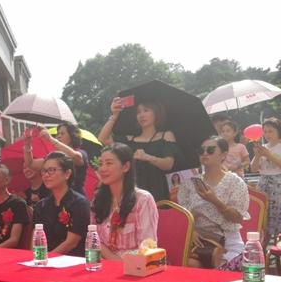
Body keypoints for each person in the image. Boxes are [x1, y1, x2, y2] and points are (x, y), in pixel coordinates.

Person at [178, 136, 249, 269]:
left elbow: (237, 218)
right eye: (201, 151)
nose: (205, 153)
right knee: (186, 265)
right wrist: (191, 231)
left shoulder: (235, 183)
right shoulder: (189, 184)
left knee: (222, 269)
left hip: (226, 242)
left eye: (210, 150)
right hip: (198, 242)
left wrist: (214, 200)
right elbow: (182, 216)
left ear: (223, 155)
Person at [98, 98, 179, 202]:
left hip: (157, 190)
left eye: (146, 110)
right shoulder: (129, 139)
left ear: (156, 113)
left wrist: (148, 157)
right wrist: (114, 115)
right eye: (138, 112)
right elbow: (103, 138)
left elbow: (168, 164)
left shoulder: (166, 135)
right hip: (132, 191)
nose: (141, 115)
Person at [91, 143, 158, 259]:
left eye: (109, 163)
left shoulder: (143, 200)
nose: (102, 169)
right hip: (103, 264)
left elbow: (147, 248)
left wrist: (116, 262)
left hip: (134, 266)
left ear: (126, 167)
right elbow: (93, 238)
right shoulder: (98, 199)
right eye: (100, 164)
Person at [33, 152, 90, 255]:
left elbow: (71, 243)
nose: (46, 175)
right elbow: (35, 239)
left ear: (67, 174)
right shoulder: (41, 205)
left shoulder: (79, 203)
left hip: (71, 259)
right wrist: (35, 258)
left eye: (51, 170)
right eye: (44, 171)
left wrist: (47, 258)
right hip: (43, 258)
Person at [24, 123, 89, 195]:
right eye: (58, 134)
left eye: (62, 134)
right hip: (57, 197)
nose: (58, 136)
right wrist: (27, 144)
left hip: (75, 197)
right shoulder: (54, 156)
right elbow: (31, 164)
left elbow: (75, 156)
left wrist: (50, 139)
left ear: (72, 137)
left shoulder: (81, 153)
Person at [251, 117, 281, 246]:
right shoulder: (263, 147)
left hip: (278, 183)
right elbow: (253, 169)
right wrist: (258, 155)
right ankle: (263, 245)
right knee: (263, 214)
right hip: (263, 183)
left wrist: (268, 155)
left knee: (277, 213)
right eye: (265, 131)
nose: (267, 134)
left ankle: (277, 245)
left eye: (271, 131)